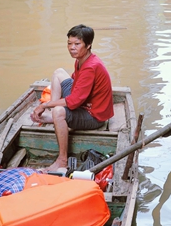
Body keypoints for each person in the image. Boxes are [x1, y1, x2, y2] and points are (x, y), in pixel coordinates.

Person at [32, 25, 114, 172]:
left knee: (58, 111)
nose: (72, 48)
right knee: (59, 73)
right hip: (83, 102)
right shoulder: (81, 60)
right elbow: (76, 85)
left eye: (77, 44)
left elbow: (74, 101)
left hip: (94, 115)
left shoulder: (90, 67)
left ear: (88, 45)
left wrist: (45, 105)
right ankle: (56, 118)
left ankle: (62, 160)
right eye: (69, 43)